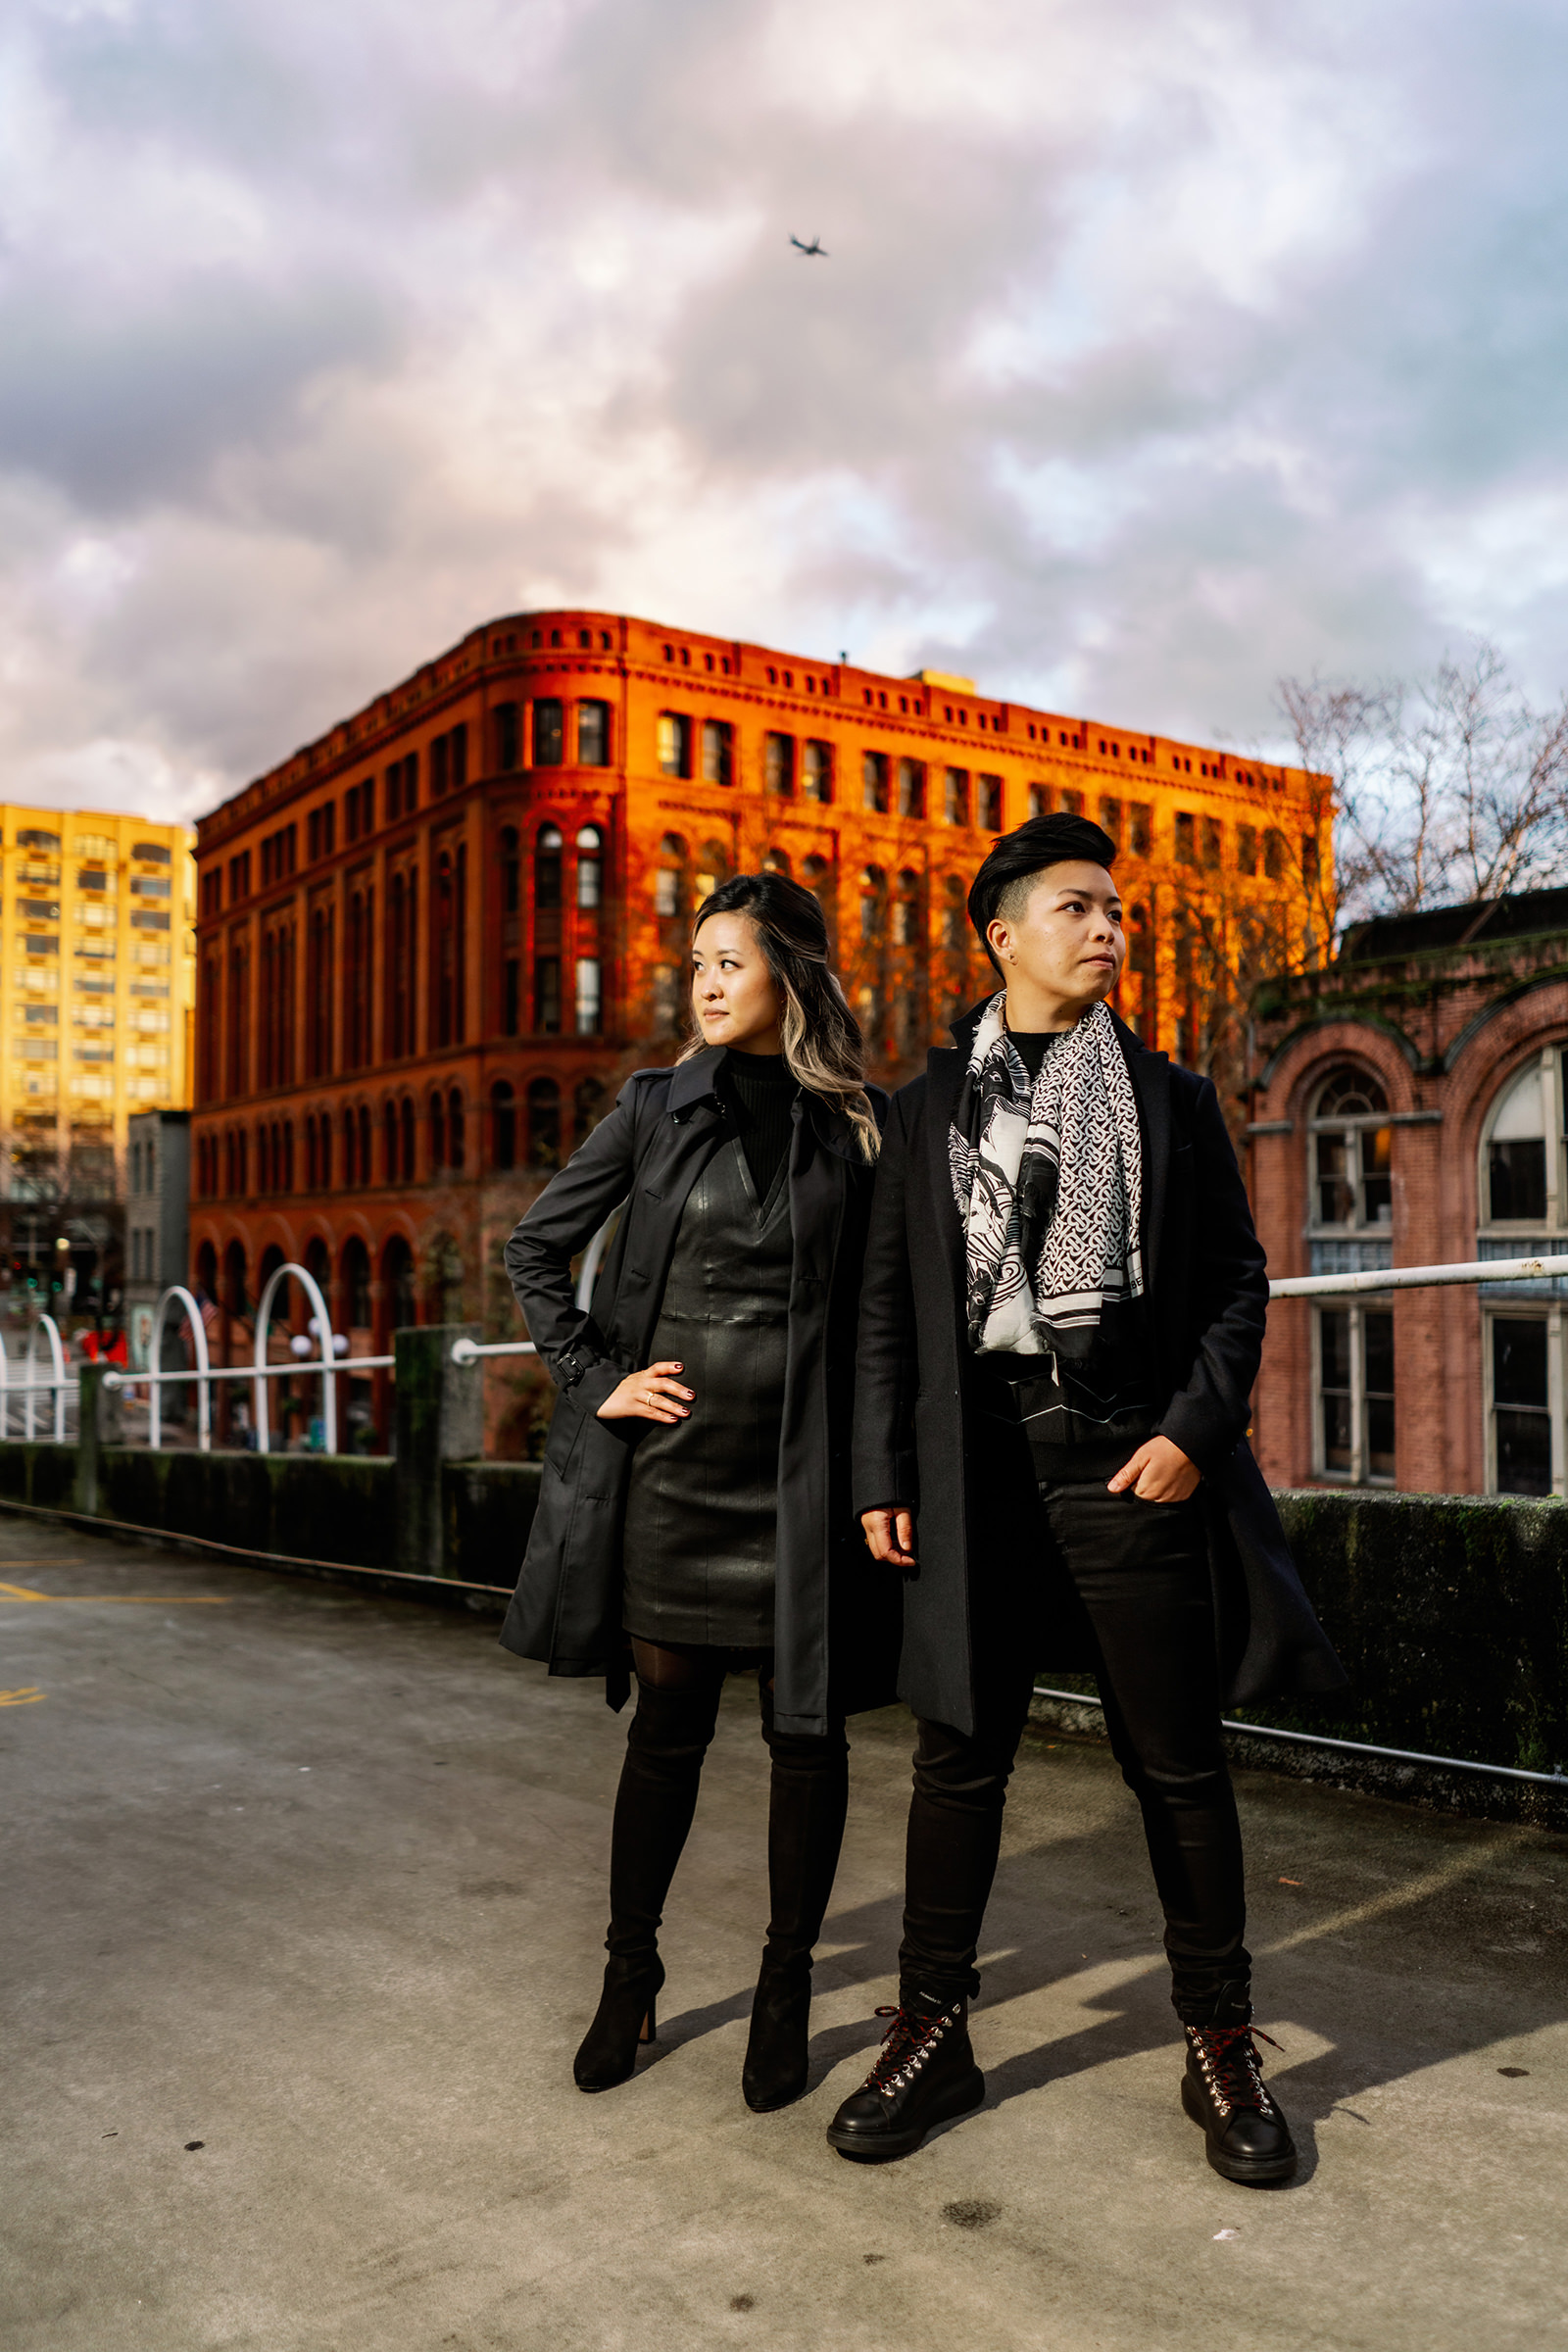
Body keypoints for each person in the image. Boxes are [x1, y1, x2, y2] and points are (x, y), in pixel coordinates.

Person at [827, 811, 1346, 2184]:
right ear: (1002, 934)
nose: (1109, 927)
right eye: (1077, 906)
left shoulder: (1167, 1099)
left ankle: (1221, 2041)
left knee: (1177, 1768)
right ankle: (934, 2030)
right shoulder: (927, 1107)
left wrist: (1191, 1428)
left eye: (1117, 909)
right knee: (958, 1762)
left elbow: (1239, 1282)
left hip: (1127, 1461)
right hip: (975, 1471)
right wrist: (883, 1467)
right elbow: (887, 1306)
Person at [501, 871, 899, 2113]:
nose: (706, 983)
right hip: (673, 1480)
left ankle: (784, 1991)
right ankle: (630, 1977)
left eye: (728, 961)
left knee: (805, 1739)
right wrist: (591, 1377)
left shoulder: (862, 1126)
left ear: (791, 971)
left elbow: (882, 1319)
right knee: (664, 1737)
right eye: (697, 964)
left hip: (802, 1481)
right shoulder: (652, 1108)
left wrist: (878, 1474)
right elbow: (534, 1246)